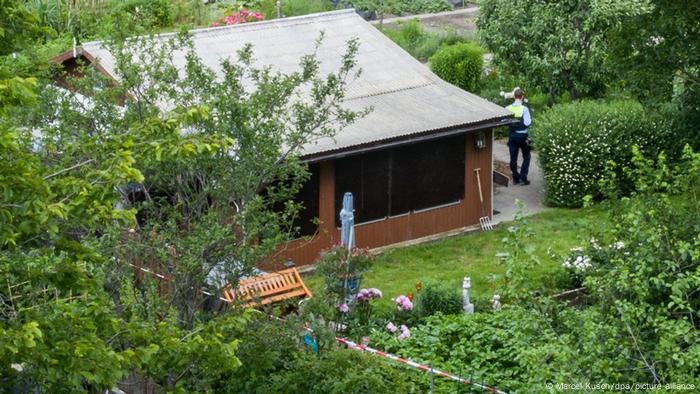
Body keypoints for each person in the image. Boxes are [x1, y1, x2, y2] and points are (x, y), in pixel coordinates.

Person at [505, 88, 532, 185]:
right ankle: (523, 178)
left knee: (513, 158)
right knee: (527, 156)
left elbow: (504, 121)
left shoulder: (508, 108)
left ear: (514, 97)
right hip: (523, 136)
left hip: (512, 136)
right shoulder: (524, 109)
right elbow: (528, 123)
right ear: (522, 97)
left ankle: (515, 178)